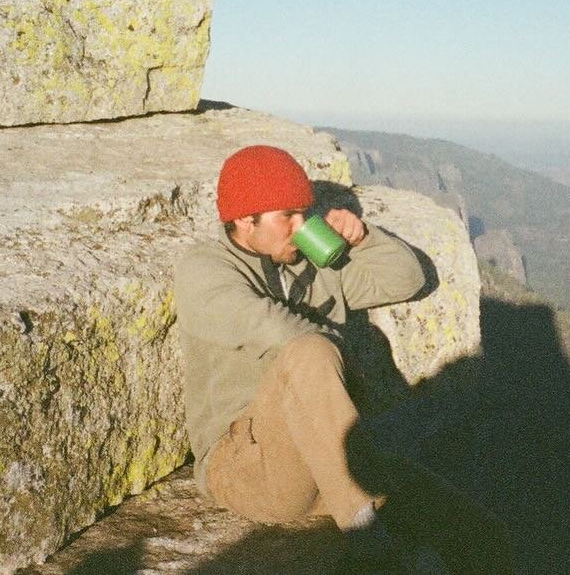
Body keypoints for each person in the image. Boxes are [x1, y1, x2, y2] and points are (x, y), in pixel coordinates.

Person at [173, 144, 426, 552]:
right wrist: (343, 357)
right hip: (246, 465)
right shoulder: (205, 269)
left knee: (465, 520)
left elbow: (407, 280)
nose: (300, 225)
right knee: (309, 351)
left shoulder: (313, 263)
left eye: (303, 212)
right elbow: (277, 331)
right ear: (244, 219)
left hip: (323, 458)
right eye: (286, 215)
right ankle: (364, 535)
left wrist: (363, 240)